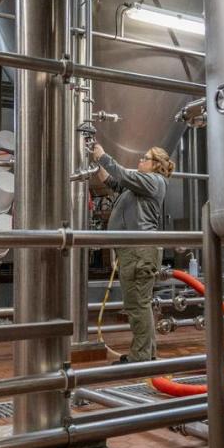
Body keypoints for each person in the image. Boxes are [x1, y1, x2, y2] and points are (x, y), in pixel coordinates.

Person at [91, 142, 174, 362]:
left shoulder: (154, 181)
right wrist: (96, 164)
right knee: (139, 304)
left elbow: (124, 176)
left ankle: (141, 358)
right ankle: (147, 354)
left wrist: (103, 157)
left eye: (145, 158)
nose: (140, 161)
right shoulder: (139, 186)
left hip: (139, 251)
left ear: (156, 165)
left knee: (138, 305)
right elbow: (113, 182)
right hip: (133, 251)